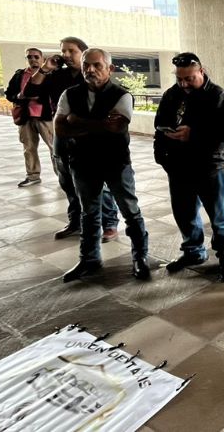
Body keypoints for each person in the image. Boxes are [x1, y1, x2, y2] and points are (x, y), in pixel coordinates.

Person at [55, 48, 150, 282]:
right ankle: (89, 259)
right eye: (87, 64)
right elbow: (60, 128)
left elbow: (116, 127)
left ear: (110, 68)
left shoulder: (122, 95)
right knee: (89, 213)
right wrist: (98, 124)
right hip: (82, 163)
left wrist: (77, 122)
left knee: (130, 210)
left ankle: (140, 258)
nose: (90, 69)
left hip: (115, 163)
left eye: (97, 65)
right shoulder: (70, 94)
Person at [24, 37, 119, 241]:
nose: (66, 55)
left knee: (100, 181)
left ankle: (109, 223)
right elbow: (29, 92)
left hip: (89, 137)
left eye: (71, 51)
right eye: (63, 51)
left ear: (83, 53)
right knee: (67, 180)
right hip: (63, 135)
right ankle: (76, 221)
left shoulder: (94, 77)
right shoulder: (58, 75)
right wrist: (45, 68)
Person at [154, 52, 224, 283]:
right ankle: (193, 252)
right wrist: (161, 156)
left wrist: (194, 134)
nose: (184, 84)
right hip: (179, 166)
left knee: (219, 218)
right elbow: (159, 125)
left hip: (211, 166)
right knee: (185, 213)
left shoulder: (217, 95)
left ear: (201, 71)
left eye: (189, 78)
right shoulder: (172, 94)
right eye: (180, 79)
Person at [4, 48, 54, 187]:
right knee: (29, 148)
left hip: (45, 117)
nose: (33, 59)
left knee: (54, 148)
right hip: (25, 117)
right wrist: (18, 97)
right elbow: (9, 94)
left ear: (42, 59)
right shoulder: (20, 75)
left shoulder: (51, 75)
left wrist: (39, 97)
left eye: (36, 57)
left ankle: (62, 176)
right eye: (29, 57)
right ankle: (32, 176)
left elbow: (55, 94)